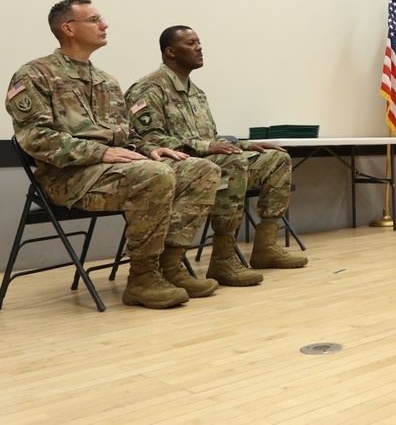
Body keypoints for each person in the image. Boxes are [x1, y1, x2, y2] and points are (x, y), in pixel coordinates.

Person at [5, 0, 221, 308]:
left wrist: (149, 148)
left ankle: (169, 266)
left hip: (113, 172)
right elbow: (37, 139)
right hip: (67, 179)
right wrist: (100, 153)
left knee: (202, 170)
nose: (104, 25)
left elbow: (126, 135)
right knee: (154, 175)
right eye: (94, 20)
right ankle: (142, 279)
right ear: (68, 28)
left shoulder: (106, 81)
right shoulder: (34, 75)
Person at [125, 25, 307, 287]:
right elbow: (148, 140)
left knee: (275, 160)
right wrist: (205, 147)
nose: (199, 48)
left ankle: (265, 247)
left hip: (208, 162)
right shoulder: (148, 89)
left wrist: (244, 146)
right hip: (177, 168)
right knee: (231, 165)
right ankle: (222, 259)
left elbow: (211, 138)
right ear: (171, 52)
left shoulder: (196, 92)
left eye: (199, 42)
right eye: (191, 43)